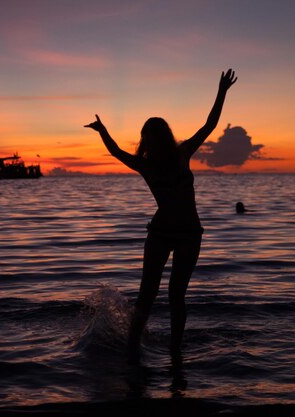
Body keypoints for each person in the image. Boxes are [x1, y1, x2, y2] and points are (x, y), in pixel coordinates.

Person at [85, 69, 237, 362]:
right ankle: (132, 347)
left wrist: (222, 92)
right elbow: (116, 152)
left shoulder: (183, 153)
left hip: (190, 235)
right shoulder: (146, 165)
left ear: (162, 137)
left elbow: (209, 125)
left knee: (176, 295)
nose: (148, 142)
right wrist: (102, 130)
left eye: (152, 137)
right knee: (148, 294)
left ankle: (175, 351)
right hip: (160, 233)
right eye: (146, 138)